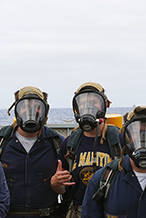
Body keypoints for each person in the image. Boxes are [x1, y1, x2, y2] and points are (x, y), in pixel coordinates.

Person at [0, 86, 64, 218]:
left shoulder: (57, 142)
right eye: (25, 106)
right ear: (17, 110)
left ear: (45, 111)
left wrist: (57, 184)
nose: (31, 111)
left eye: (37, 106)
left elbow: (67, 189)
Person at [52, 83, 121, 218]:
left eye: (94, 101)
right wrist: (55, 183)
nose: (88, 106)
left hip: (112, 212)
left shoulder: (120, 140)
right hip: (79, 211)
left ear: (104, 105)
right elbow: (62, 188)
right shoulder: (70, 143)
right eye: (82, 102)